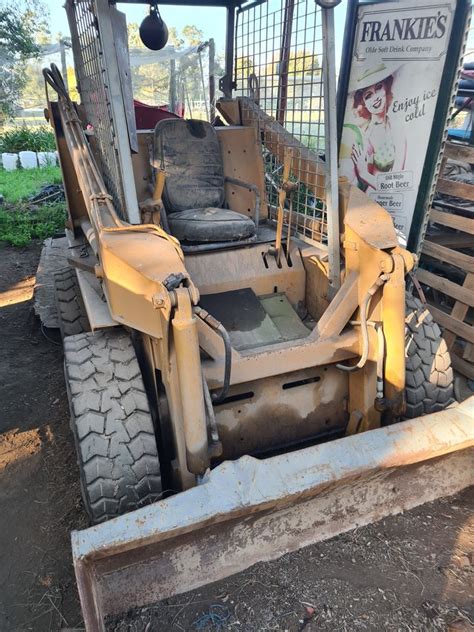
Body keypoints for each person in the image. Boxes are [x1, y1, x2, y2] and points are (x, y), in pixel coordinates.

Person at [340, 63, 406, 191]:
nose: (375, 98)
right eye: (368, 96)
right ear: (363, 102)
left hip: (389, 202)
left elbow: (397, 185)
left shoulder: (397, 129)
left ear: (386, 87)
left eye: (379, 88)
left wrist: (364, 173)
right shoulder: (361, 134)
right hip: (363, 200)